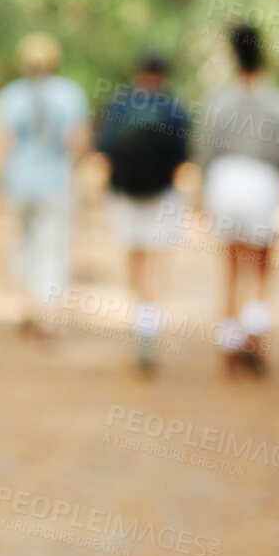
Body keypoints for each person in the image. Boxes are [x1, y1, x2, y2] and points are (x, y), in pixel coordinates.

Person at [196, 24, 279, 376]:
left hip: (225, 181)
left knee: (231, 267)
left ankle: (229, 346)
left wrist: (200, 192)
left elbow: (205, 151)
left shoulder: (218, 99)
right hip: (262, 182)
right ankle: (254, 338)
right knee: (262, 269)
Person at [0, 32, 90, 339]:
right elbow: (78, 144)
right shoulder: (70, 95)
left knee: (23, 245)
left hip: (20, 182)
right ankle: (47, 315)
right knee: (53, 248)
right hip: (56, 184)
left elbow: (3, 144)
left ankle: (27, 307)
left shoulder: (11, 96)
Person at [94, 53, 189, 370]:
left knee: (134, 258)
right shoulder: (174, 109)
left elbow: (103, 149)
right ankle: (150, 320)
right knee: (156, 261)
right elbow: (183, 157)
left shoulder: (119, 105)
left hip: (124, 194)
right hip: (162, 195)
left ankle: (140, 318)